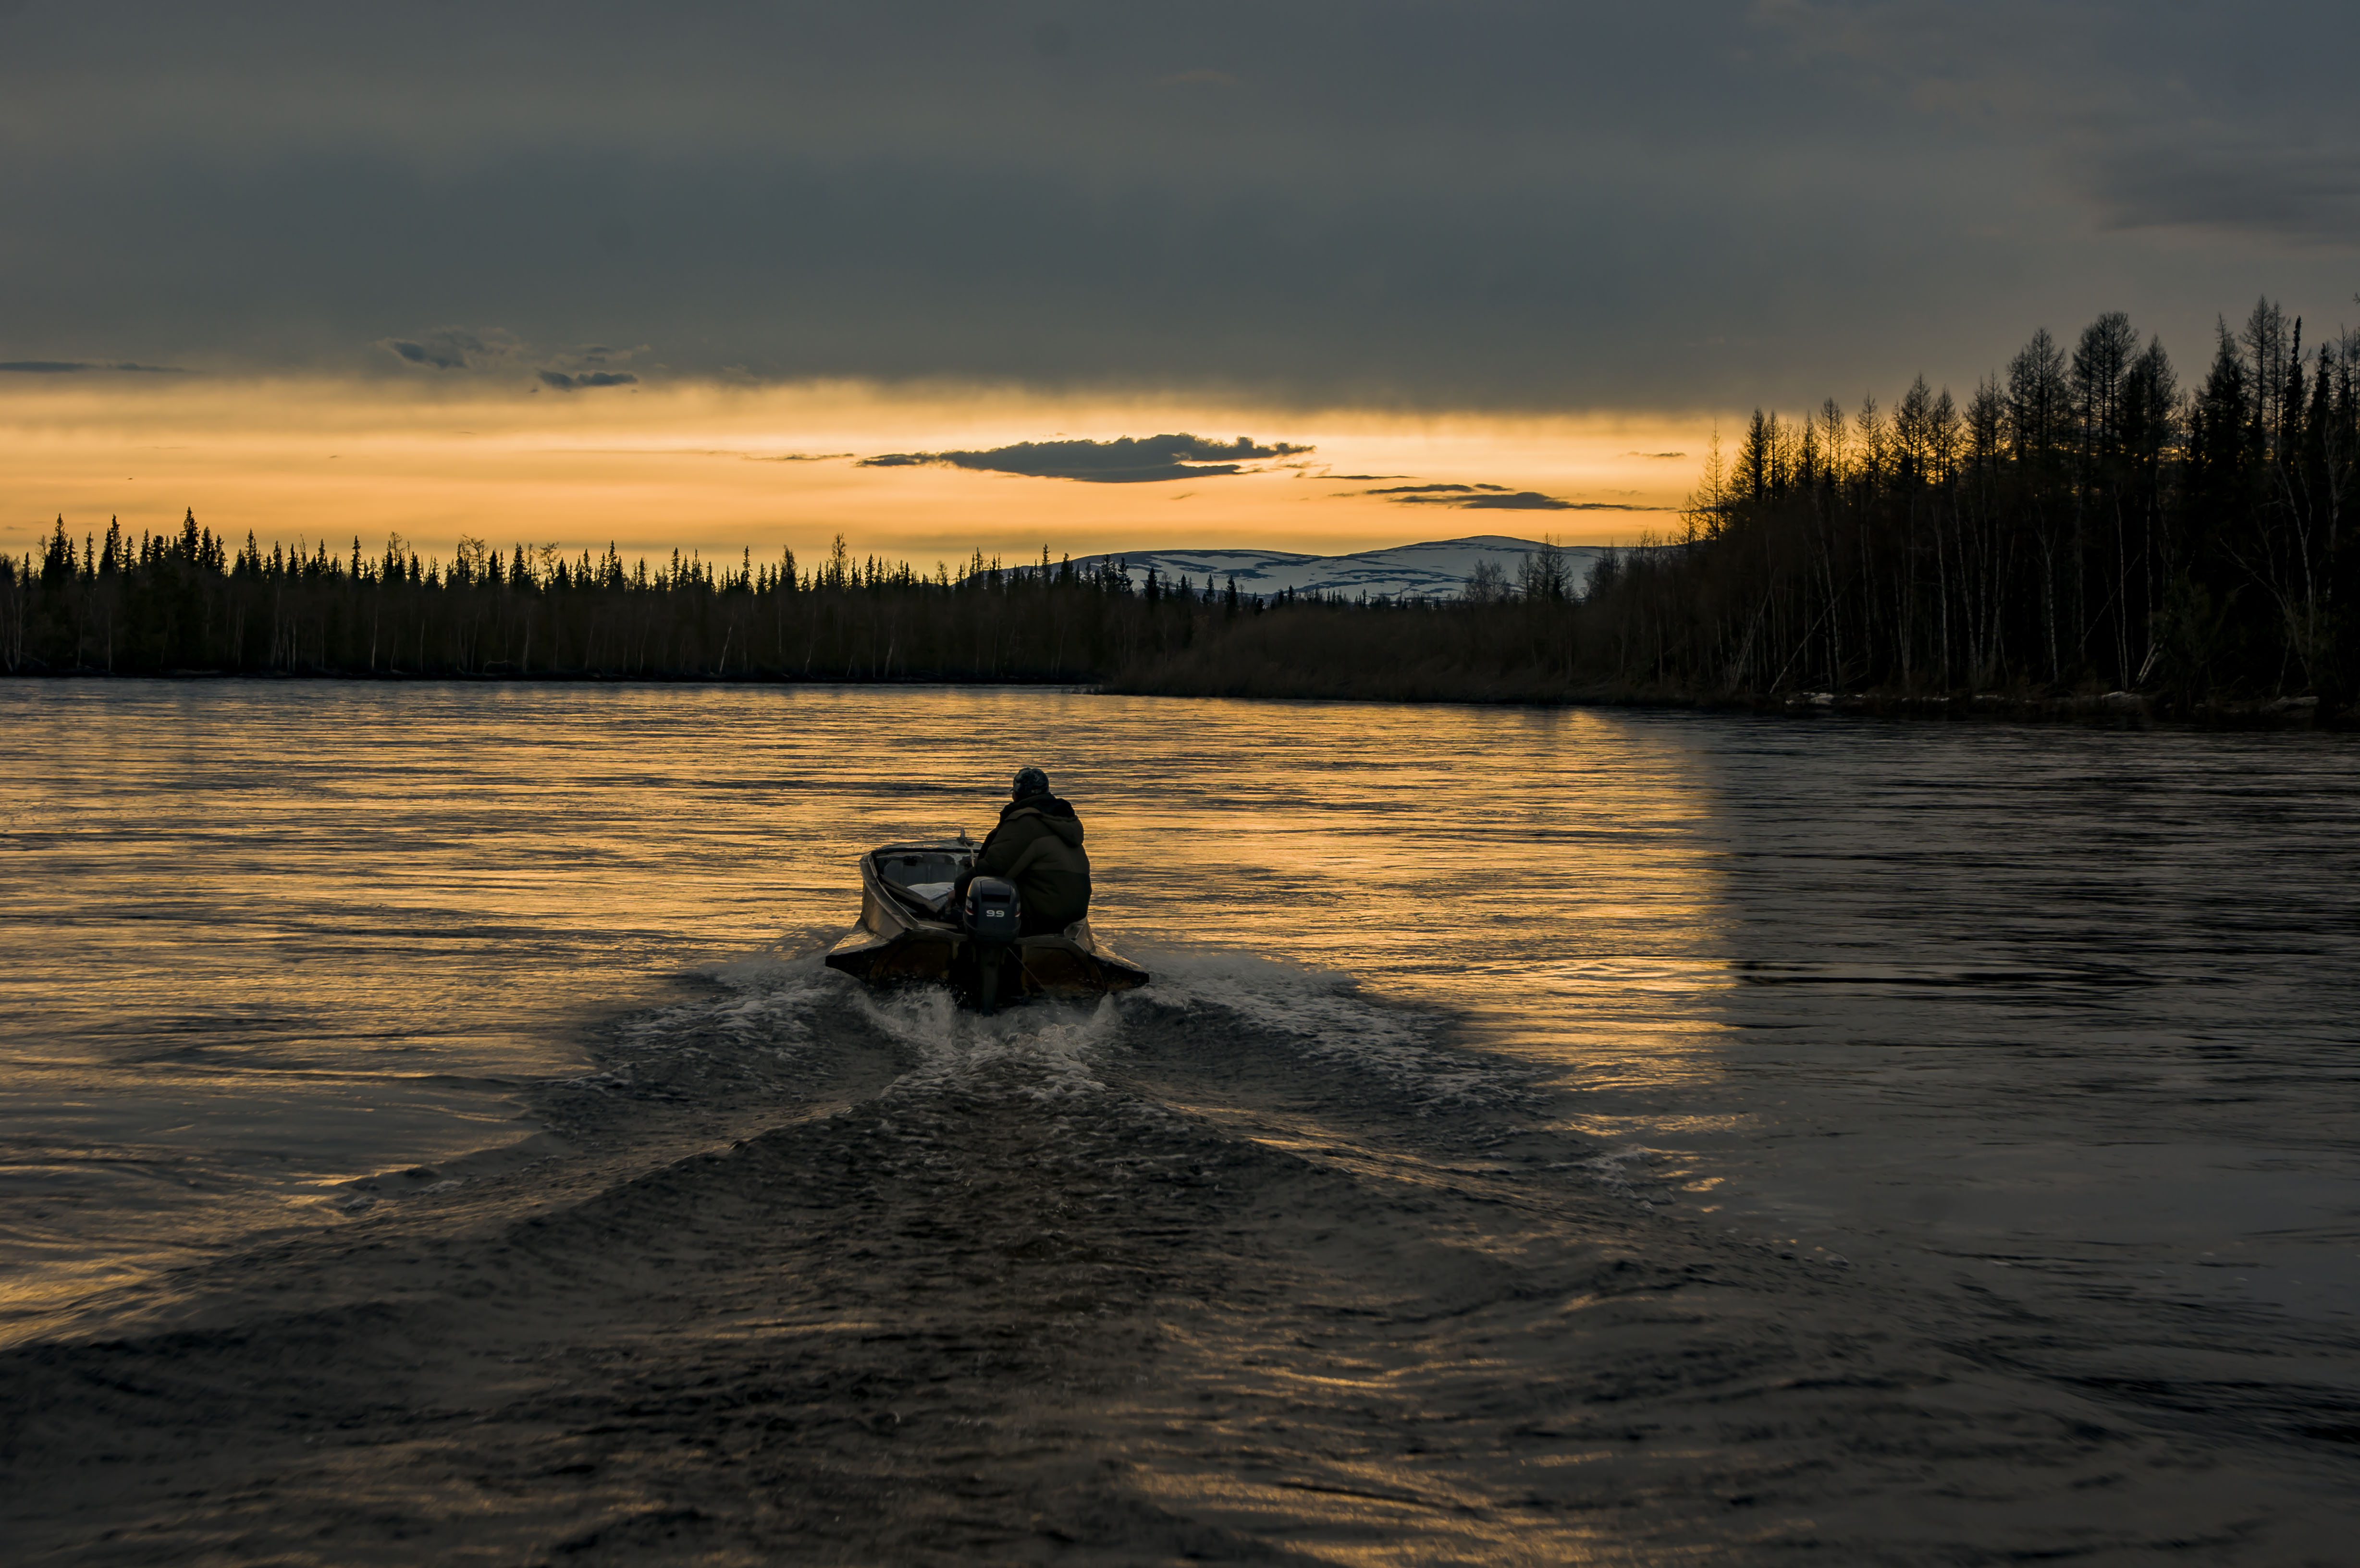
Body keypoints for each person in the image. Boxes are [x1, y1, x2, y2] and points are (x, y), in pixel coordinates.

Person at [957, 766, 1092, 935]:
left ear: (1015, 795)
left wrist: (959, 891)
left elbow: (994, 869)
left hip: (1044, 915)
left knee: (964, 909)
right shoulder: (1064, 821)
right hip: (1074, 913)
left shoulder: (1024, 822)